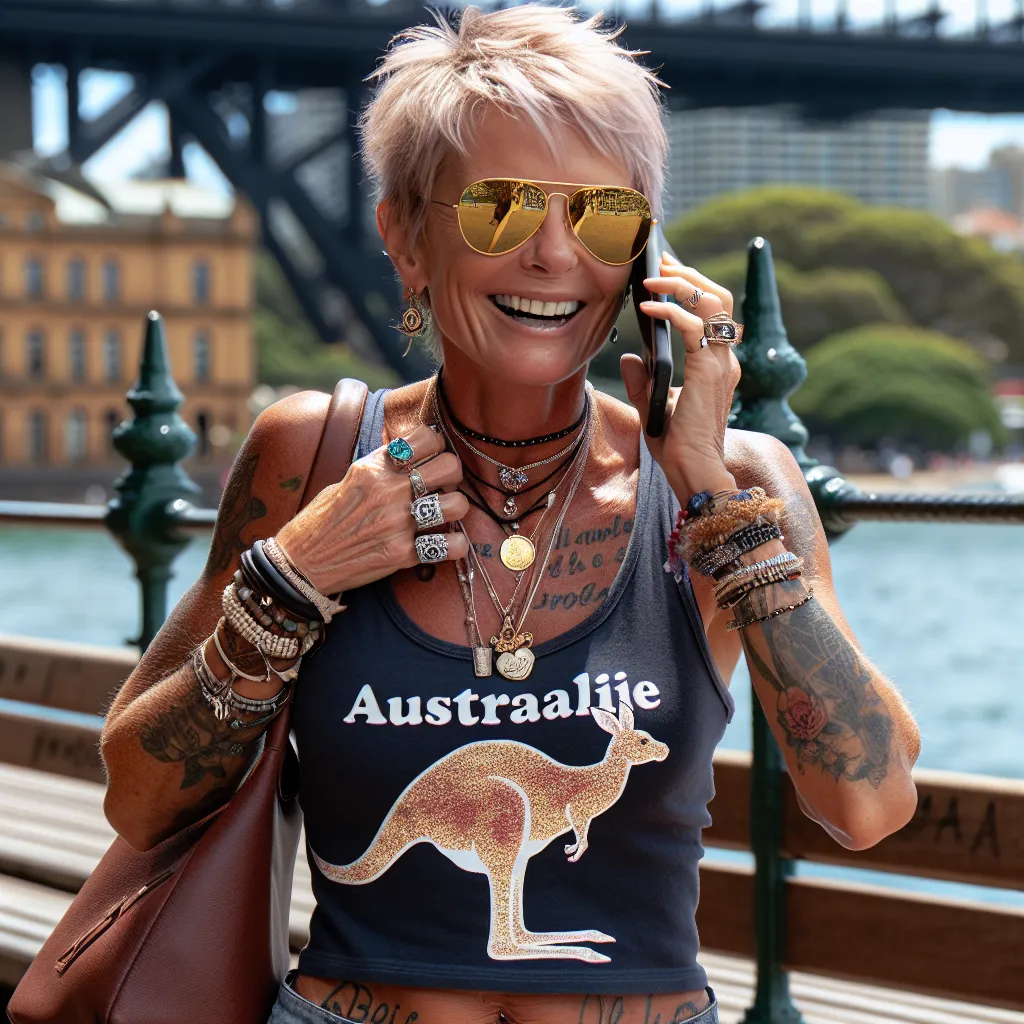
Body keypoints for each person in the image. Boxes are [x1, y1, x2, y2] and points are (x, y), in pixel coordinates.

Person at [99, 7, 921, 1023]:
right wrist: (296, 574)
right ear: (403, 235)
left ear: (645, 260)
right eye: (499, 209)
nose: (552, 255)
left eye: (603, 217)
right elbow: (137, 799)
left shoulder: (731, 485)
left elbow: (868, 803)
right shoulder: (312, 461)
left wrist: (712, 491)